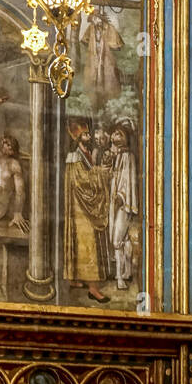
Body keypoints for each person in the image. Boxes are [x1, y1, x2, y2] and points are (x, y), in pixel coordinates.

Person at [63, 124, 111, 302]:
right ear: (78, 137)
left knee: (81, 242)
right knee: (87, 244)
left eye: (89, 133)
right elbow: (82, 181)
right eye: (85, 134)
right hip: (80, 207)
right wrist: (102, 173)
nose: (89, 136)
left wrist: (97, 171)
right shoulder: (75, 156)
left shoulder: (85, 153)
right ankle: (93, 289)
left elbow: (88, 174)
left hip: (81, 207)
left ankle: (76, 278)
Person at [108, 123, 139, 291]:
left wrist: (121, 196)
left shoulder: (128, 156)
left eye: (118, 134)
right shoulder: (118, 155)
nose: (114, 137)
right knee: (125, 239)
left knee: (117, 241)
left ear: (125, 137)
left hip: (122, 203)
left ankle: (120, 278)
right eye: (113, 133)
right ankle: (127, 272)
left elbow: (128, 181)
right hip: (116, 202)